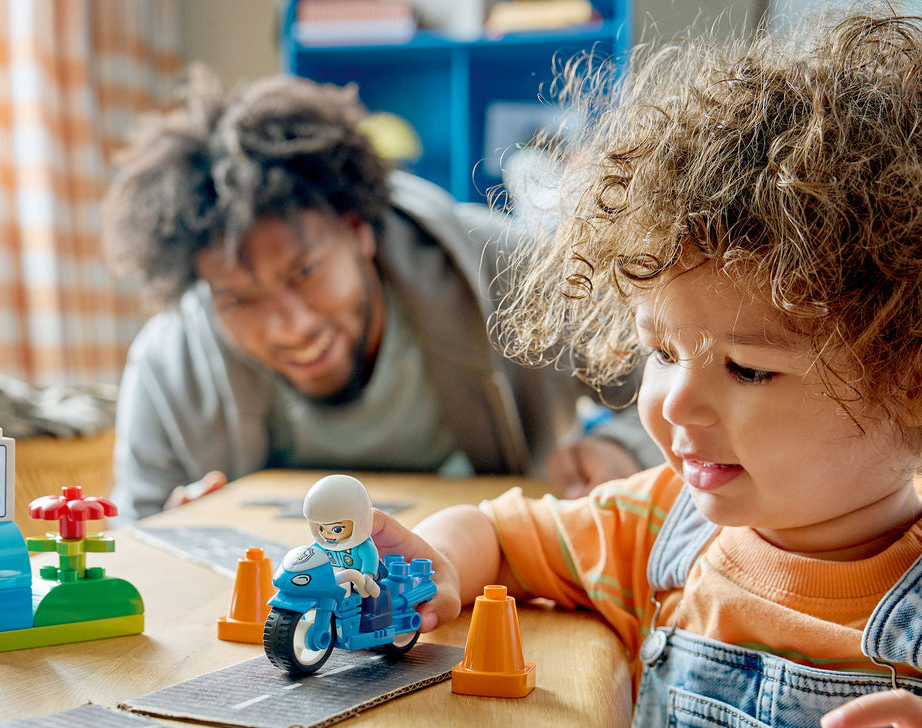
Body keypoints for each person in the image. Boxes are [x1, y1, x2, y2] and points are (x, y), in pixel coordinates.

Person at [368, 9, 922, 728]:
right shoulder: (662, 526)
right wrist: (436, 562)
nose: (671, 403)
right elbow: (503, 533)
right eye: (660, 351)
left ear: (907, 385)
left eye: (746, 368)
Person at [102, 68, 658, 521]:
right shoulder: (168, 361)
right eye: (240, 300)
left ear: (358, 228)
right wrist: (178, 533)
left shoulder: (512, 271)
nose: (290, 326)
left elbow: (672, 375)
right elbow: (140, 531)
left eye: (305, 272)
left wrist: (624, 447)